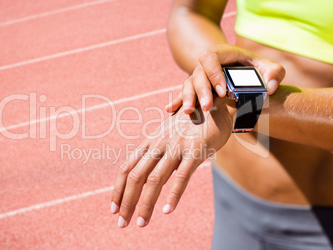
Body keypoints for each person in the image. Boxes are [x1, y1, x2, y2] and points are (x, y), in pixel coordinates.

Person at [111, 0, 333, 248]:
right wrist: (219, 79)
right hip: (234, 205)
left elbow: (244, 102)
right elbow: (192, 12)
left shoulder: (237, 105)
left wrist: (241, 103)